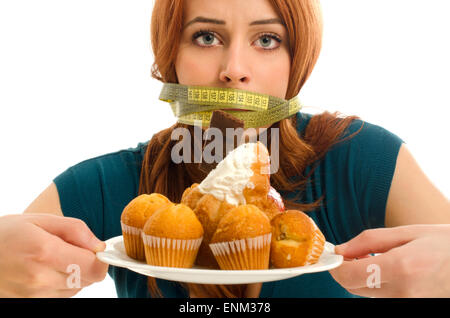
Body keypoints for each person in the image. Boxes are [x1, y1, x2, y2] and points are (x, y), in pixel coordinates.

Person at [0, 0, 448, 298]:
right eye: (206, 37)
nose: (234, 71)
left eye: (267, 40)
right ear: (169, 56)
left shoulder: (365, 161)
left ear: (298, 61)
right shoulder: (108, 184)